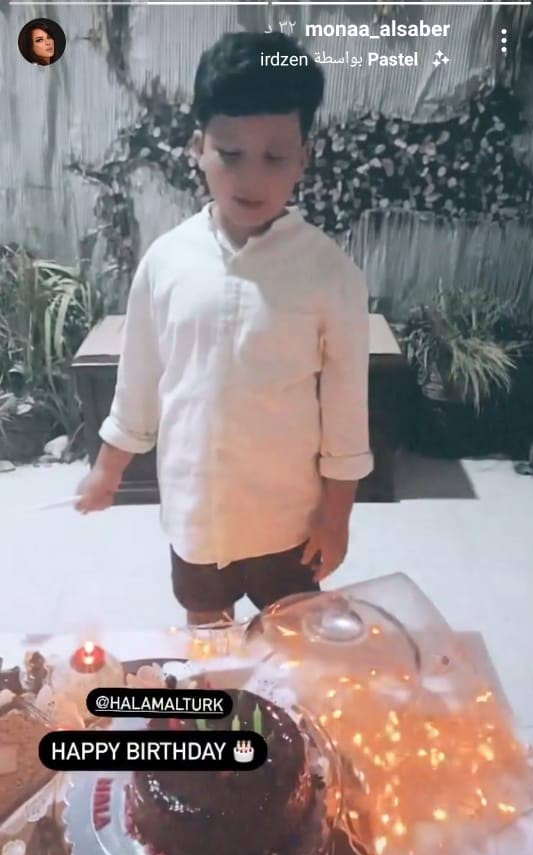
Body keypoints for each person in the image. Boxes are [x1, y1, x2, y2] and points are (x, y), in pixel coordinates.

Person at [76, 31, 373, 626]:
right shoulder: (167, 260)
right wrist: (107, 470)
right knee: (207, 637)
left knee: (290, 644)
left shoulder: (329, 273)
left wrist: (336, 515)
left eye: (275, 157)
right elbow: (139, 380)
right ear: (198, 148)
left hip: (289, 520)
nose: (251, 178)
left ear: (303, 157)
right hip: (197, 513)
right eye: (231, 154)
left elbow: (345, 409)